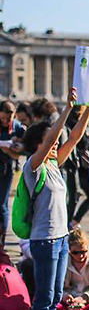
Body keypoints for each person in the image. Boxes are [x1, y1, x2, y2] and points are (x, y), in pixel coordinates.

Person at [21, 88, 89, 310]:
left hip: (61, 239)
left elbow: (73, 138)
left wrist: (87, 110)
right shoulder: (33, 166)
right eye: (48, 142)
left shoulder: (53, 164)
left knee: (53, 296)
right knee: (43, 296)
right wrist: (66, 109)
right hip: (44, 240)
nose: (54, 145)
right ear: (39, 144)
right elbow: (55, 135)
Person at [0, 100, 25, 248]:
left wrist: (13, 148)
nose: (4, 122)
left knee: (2, 206)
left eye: (7, 119)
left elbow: (24, 148)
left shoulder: (17, 127)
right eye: (1, 118)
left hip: (6, 168)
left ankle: (1, 243)